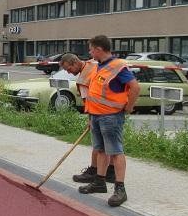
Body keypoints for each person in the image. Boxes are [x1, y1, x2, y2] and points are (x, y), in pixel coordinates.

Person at [77, 35, 139, 207]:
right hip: (96, 116)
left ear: (98, 49)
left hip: (111, 117)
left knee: (116, 151)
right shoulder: (99, 66)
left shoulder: (118, 66)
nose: (89, 52)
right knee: (101, 150)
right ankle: (99, 182)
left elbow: (135, 87)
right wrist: (91, 116)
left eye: (91, 49)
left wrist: (129, 107)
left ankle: (120, 189)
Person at [59, 53, 116, 184]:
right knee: (112, 143)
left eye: (69, 69)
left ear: (75, 63)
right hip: (113, 109)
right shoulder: (94, 63)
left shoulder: (83, 80)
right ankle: (111, 172)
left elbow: (88, 102)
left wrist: (90, 120)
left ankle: (94, 171)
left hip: (100, 112)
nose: (69, 72)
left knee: (98, 145)